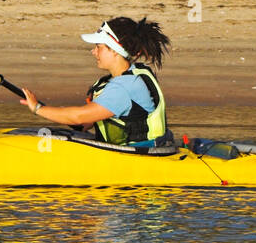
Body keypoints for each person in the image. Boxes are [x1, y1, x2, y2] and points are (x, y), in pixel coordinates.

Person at [19, 17, 173, 147]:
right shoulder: (130, 76)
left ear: (115, 50)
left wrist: (37, 108)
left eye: (98, 47)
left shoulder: (124, 87)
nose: (93, 52)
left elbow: (78, 117)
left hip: (138, 158)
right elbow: (85, 122)